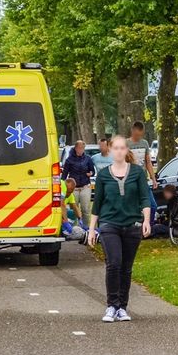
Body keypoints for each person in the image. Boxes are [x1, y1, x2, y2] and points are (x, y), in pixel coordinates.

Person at [88, 135, 151, 322]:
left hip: (132, 225)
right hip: (109, 224)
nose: (119, 151)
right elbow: (97, 203)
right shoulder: (104, 175)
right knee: (114, 263)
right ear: (110, 150)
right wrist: (92, 229)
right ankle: (111, 305)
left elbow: (144, 198)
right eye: (116, 148)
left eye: (123, 148)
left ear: (127, 150)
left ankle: (122, 307)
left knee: (126, 268)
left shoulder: (138, 173)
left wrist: (146, 220)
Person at [61, 140, 95, 221]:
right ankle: (75, 226)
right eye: (79, 148)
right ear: (76, 148)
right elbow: (65, 174)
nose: (81, 150)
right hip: (74, 188)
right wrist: (62, 185)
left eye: (83, 148)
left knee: (85, 210)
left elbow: (92, 171)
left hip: (85, 186)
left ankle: (86, 227)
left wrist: (91, 173)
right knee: (74, 209)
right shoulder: (69, 160)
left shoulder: (88, 159)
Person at [127, 121, 156, 187]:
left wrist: (153, 179)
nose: (138, 137)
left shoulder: (144, 143)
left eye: (140, 135)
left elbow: (148, 162)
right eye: (137, 135)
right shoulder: (126, 144)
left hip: (142, 178)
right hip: (130, 179)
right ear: (132, 131)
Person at [61, 178, 87, 242]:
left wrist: (80, 218)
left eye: (72, 191)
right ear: (67, 185)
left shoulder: (70, 194)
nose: (69, 193)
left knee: (72, 213)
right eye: (69, 191)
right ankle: (63, 230)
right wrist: (66, 222)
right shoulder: (63, 186)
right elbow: (62, 204)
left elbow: (75, 207)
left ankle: (66, 230)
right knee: (62, 214)